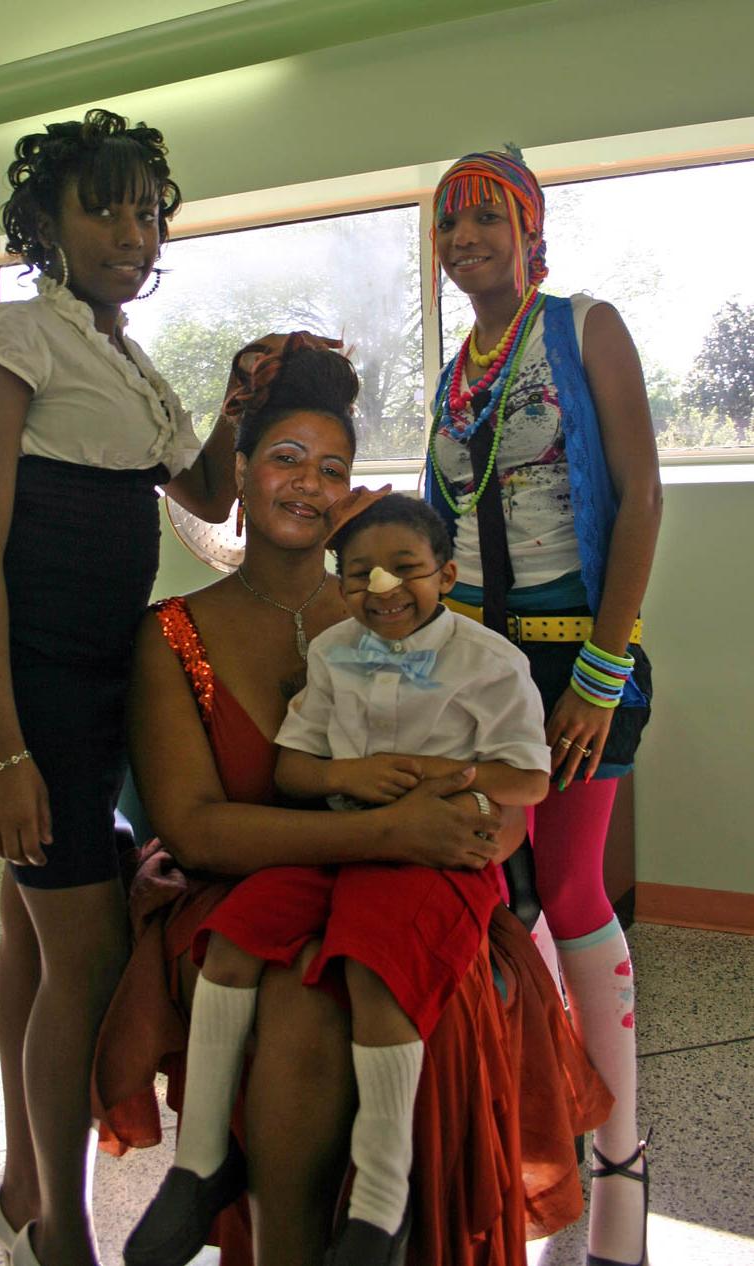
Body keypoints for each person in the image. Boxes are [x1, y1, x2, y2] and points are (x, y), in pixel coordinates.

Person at [92, 334, 614, 1266]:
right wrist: (387, 827)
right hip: (246, 889)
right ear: (242, 473)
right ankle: (259, 1211)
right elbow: (198, 828)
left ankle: (388, 1216)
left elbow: (498, 801)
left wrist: (458, 836)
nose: (309, 484)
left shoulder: (405, 609)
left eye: (332, 468)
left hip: (421, 882)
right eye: (285, 458)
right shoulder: (172, 635)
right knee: (297, 1003)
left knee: (397, 981)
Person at [0, 108, 244, 1266]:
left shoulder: (125, 358)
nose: (133, 229)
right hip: (25, 675)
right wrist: (3, 750)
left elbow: (208, 500)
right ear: (47, 224)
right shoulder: (8, 331)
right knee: (91, 951)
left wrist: (243, 400)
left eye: (148, 209)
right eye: (103, 206)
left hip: (109, 667)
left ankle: (24, 1185)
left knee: (35, 931)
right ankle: (60, 1236)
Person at [129, 491, 551, 1266]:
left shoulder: (490, 661)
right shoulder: (329, 653)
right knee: (232, 940)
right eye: (360, 575)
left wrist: (435, 778)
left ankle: (380, 1206)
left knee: (373, 969)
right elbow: (292, 771)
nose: (382, 589)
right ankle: (199, 1166)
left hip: (434, 864)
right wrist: (356, 780)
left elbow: (529, 781)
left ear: (446, 574)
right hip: (331, 846)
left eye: (405, 570)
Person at [427, 150, 661, 1266]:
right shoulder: (451, 371)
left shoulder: (583, 325)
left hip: (580, 665)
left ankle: (620, 1153)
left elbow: (645, 491)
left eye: (486, 215)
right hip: (482, 669)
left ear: (529, 229)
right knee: (502, 902)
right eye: (449, 222)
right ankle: (536, 1136)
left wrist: (602, 678)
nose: (465, 234)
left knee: (569, 890)